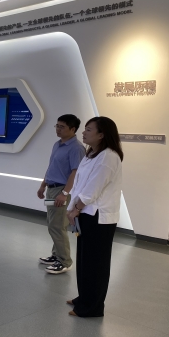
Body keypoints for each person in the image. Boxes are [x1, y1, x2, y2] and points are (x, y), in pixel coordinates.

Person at [66, 116, 123, 317]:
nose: (84, 132)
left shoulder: (108, 157)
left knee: (96, 264)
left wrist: (76, 208)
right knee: (85, 260)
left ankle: (92, 307)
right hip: (86, 213)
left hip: (98, 217)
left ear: (101, 135)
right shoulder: (91, 154)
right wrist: (73, 208)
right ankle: (84, 297)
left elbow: (93, 189)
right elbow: (80, 184)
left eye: (89, 129)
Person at [37, 114, 85, 274]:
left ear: (73, 129)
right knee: (53, 223)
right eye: (57, 126)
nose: (58, 129)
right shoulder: (57, 144)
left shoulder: (76, 148)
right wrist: (43, 185)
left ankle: (64, 261)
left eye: (62, 127)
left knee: (57, 226)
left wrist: (65, 193)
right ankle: (56, 255)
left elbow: (75, 172)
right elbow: (51, 166)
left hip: (62, 190)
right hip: (52, 189)